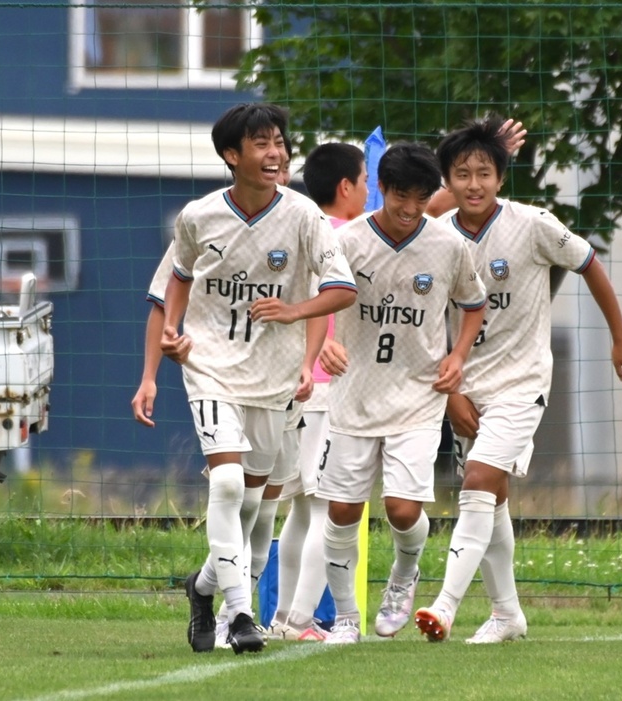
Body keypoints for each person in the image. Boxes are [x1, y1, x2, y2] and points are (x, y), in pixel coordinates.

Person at [413, 116, 622, 644]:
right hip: (466, 387)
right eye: (463, 173)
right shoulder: (437, 238)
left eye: (485, 172)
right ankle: (507, 614)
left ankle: (445, 607)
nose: (474, 184)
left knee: (476, 484)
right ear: (448, 180)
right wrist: (452, 394)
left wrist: (621, 339)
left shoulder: (534, 223)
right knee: (491, 500)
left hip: (523, 382)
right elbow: (428, 322)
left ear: (501, 177)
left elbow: (589, 263)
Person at [158, 102, 358, 654]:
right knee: (225, 485)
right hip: (209, 367)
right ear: (232, 155)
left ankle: (201, 590)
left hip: (273, 381)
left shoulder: (303, 216)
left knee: (254, 511)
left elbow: (342, 288)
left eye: (280, 142)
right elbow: (176, 278)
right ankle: (242, 614)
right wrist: (173, 333)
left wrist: (294, 312)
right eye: (262, 144)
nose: (277, 154)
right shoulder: (198, 216)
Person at [315, 142, 487, 644]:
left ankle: (403, 576)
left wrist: (458, 356)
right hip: (353, 394)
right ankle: (346, 618)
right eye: (399, 198)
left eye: (420, 198)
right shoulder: (346, 243)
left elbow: (473, 304)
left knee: (402, 510)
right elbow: (316, 299)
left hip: (417, 394)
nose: (410, 209)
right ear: (381, 190)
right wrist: (326, 344)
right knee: (342, 510)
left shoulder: (449, 246)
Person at [269, 142, 370, 641]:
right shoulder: (346, 237)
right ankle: (298, 620)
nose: (374, 193)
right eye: (368, 181)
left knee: (303, 508)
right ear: (347, 187)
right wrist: (327, 346)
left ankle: (284, 616)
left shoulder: (302, 229)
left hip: (297, 382)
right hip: (327, 389)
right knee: (328, 507)